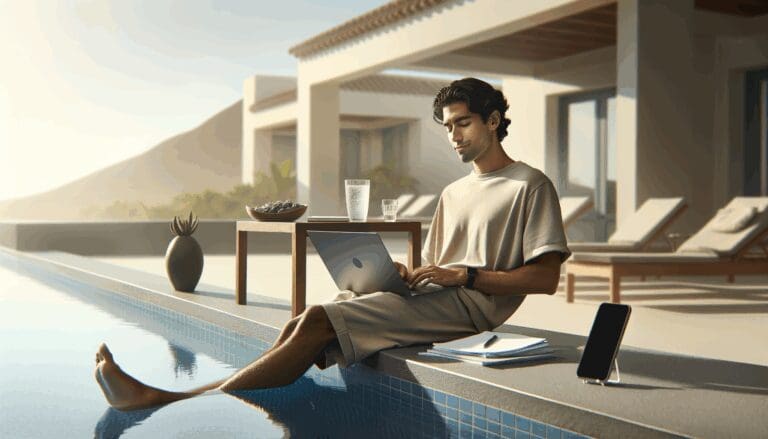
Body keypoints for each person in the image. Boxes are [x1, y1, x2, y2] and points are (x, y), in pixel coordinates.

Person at [93, 77, 571, 411]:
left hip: (473, 311)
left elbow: (545, 279)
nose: (453, 136)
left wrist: (464, 275)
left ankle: (171, 400)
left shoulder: (530, 185)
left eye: (462, 124)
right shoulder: (453, 192)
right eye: (446, 127)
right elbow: (437, 266)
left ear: (492, 121)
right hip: (436, 298)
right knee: (308, 316)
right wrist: (406, 273)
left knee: (323, 319)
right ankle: (193, 395)